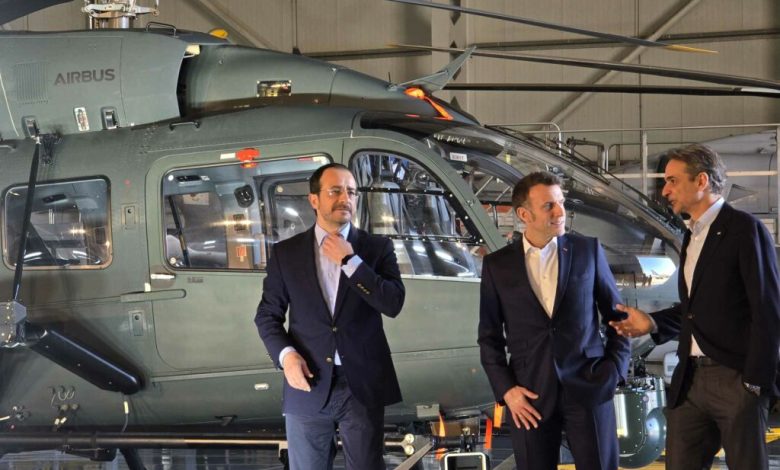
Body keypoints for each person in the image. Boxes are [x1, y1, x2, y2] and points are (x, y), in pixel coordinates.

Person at [610, 144, 780, 470]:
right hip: (690, 378)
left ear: (701, 181)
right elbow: (697, 308)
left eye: (672, 180)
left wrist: (754, 384)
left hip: (735, 379)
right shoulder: (692, 236)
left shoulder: (744, 229)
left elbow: (767, 310)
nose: (665, 190)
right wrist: (652, 323)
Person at [255, 162, 405, 470]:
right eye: (335, 191)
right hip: (307, 382)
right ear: (314, 199)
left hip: (361, 385)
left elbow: (392, 303)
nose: (345, 199)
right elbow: (267, 315)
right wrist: (286, 357)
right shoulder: (286, 253)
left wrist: (350, 261)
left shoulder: (377, 248)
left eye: (351, 192)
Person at [478, 171, 630, 470]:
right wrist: (507, 391)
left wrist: (614, 371)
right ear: (524, 214)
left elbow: (619, 317)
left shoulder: (588, 251)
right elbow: (489, 337)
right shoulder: (497, 265)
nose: (560, 212)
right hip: (528, 396)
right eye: (549, 205)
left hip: (589, 386)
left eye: (561, 203)